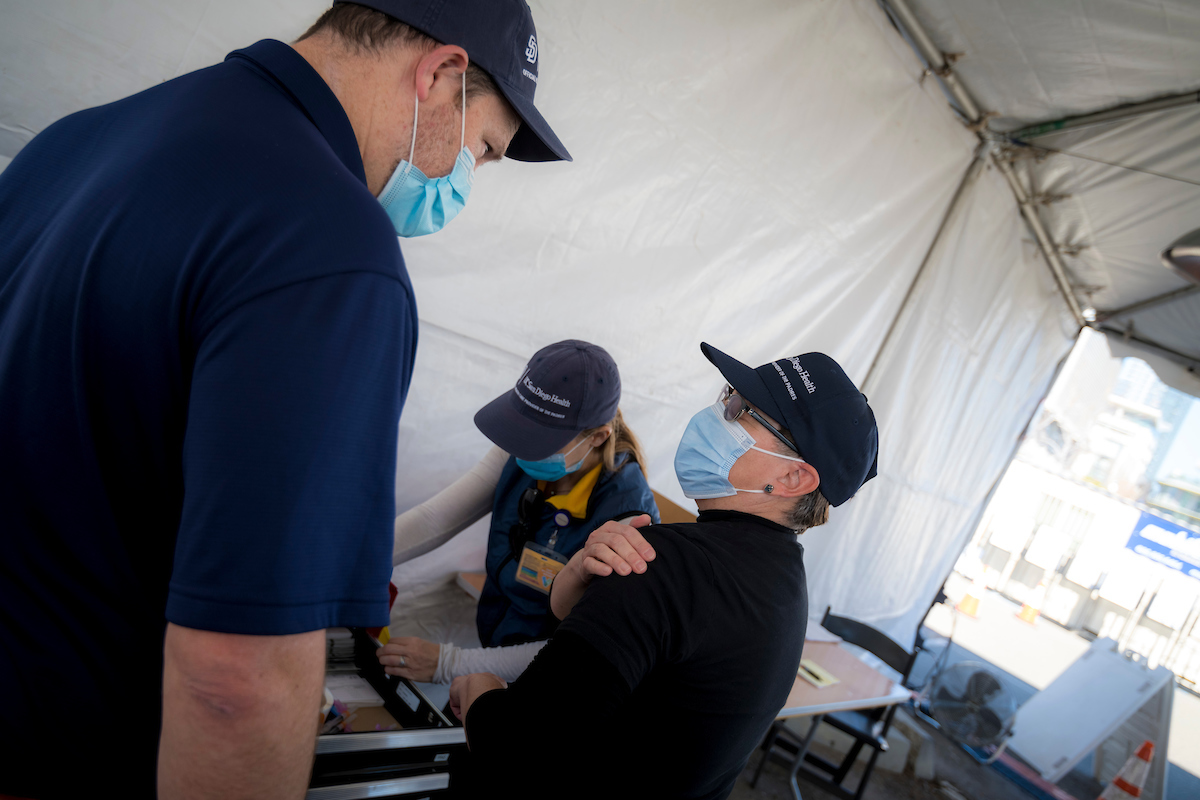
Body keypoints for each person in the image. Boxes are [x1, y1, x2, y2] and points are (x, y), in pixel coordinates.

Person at [0, 2, 570, 798]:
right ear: (439, 74)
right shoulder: (331, 251)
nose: (464, 179)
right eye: (483, 148)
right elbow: (238, 677)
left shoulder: (73, 141)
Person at [448, 342, 880, 800]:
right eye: (728, 395)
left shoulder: (661, 566)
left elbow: (512, 755)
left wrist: (478, 684)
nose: (718, 413)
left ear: (794, 479)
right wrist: (571, 588)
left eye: (741, 411)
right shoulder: (784, 586)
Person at [376, 340, 661, 685]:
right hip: (497, 651)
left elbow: (580, 648)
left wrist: (449, 664)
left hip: (554, 684)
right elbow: (436, 519)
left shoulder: (629, 520)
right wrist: (361, 563)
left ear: (598, 437)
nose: (521, 447)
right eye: (522, 429)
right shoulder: (522, 454)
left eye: (540, 439)